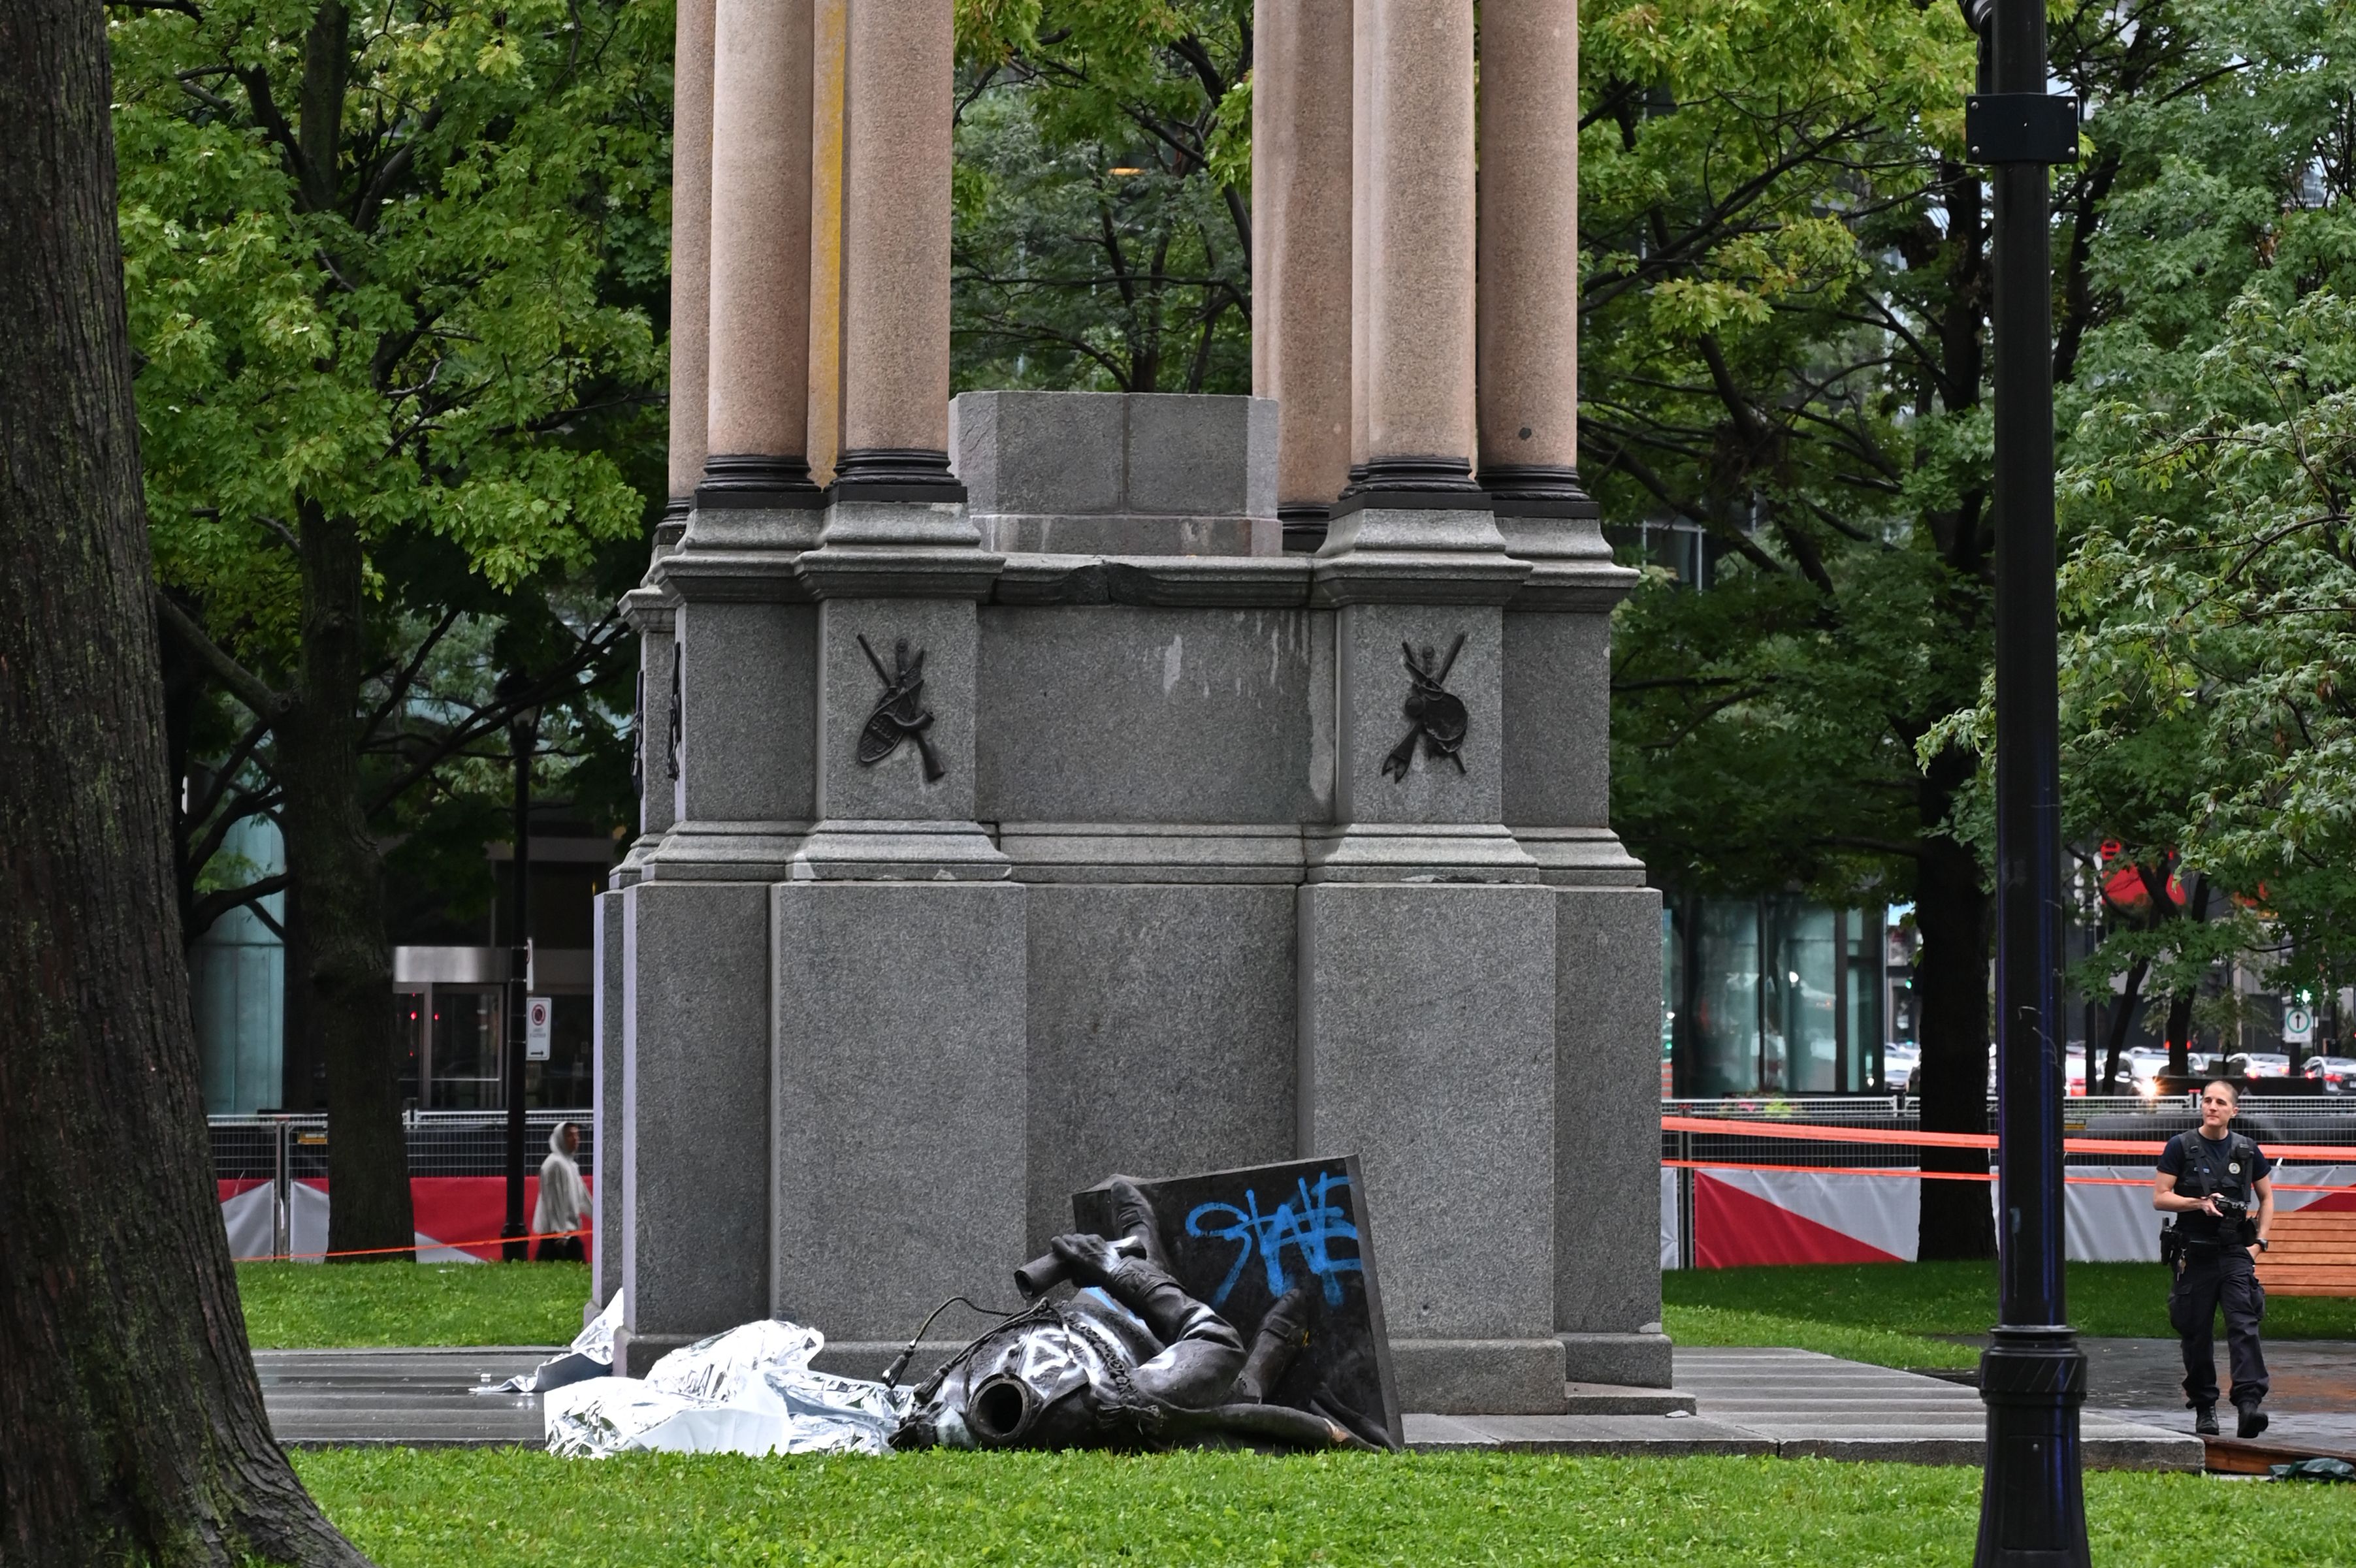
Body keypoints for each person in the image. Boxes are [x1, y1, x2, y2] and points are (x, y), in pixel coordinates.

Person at [888, 1179, 1376, 1452]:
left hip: (1084, 1314)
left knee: (1115, 1301)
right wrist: (1112, 1268)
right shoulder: (1124, 1399)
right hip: (1142, 1341)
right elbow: (1213, 1339)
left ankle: (1147, 1253)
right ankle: (1262, 1362)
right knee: (1221, 1389)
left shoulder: (955, 1397)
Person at [2153, 1080, 2274, 1437]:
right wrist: (2198, 1203)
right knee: (2196, 1334)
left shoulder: (2247, 1150)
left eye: (2220, 1102)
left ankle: (2249, 1405)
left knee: (2244, 1326)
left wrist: (2260, 1242)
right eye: (2207, 1100)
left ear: (2233, 1111)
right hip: (2194, 1253)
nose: (2212, 1107)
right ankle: (2205, 1407)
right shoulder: (2181, 1146)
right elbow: (2160, 1197)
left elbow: (2266, 1198)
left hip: (2235, 1253)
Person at [533, 1122, 589, 1263]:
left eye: (577, 1135)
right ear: (560, 1138)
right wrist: (559, 1232)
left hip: (567, 1233)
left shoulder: (570, 1164)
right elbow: (554, 1199)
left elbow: (582, 1197)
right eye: (570, 1135)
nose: (576, 1139)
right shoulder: (555, 1164)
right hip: (557, 1236)